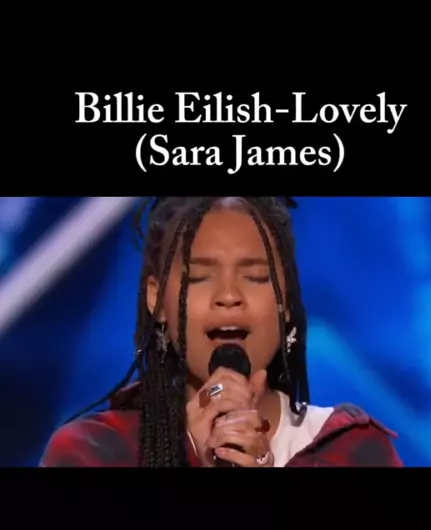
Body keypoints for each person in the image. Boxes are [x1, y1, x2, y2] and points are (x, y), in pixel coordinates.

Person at [39, 196, 403, 468]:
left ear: (287, 301)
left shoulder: (353, 450)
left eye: (255, 277)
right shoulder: (97, 452)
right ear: (157, 300)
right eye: (199, 277)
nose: (229, 296)